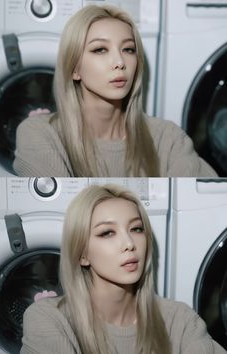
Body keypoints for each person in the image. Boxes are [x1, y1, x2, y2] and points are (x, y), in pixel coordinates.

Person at [13, 5, 217, 177]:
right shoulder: (39, 133)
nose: (120, 62)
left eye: (128, 49)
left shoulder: (167, 138)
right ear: (74, 69)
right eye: (100, 49)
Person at [20, 184, 225, 354]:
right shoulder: (48, 319)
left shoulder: (179, 320)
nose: (129, 243)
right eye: (107, 233)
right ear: (82, 254)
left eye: (136, 229)